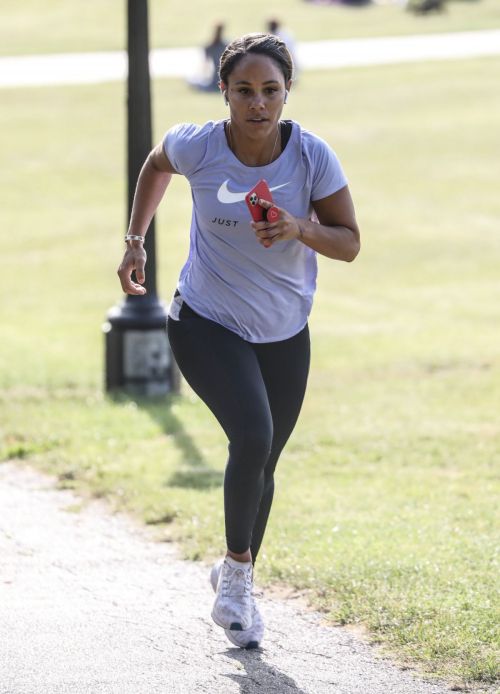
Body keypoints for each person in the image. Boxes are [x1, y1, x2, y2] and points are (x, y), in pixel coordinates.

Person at [117, 32, 360, 650]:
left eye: (271, 90)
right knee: (252, 434)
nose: (259, 103)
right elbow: (156, 162)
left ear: (286, 93)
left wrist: (300, 227)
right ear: (223, 91)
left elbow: (349, 242)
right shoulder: (201, 145)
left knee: (263, 461)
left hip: (284, 330)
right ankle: (236, 584)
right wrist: (136, 239)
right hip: (205, 319)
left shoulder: (310, 157)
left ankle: (235, 573)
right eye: (245, 90)